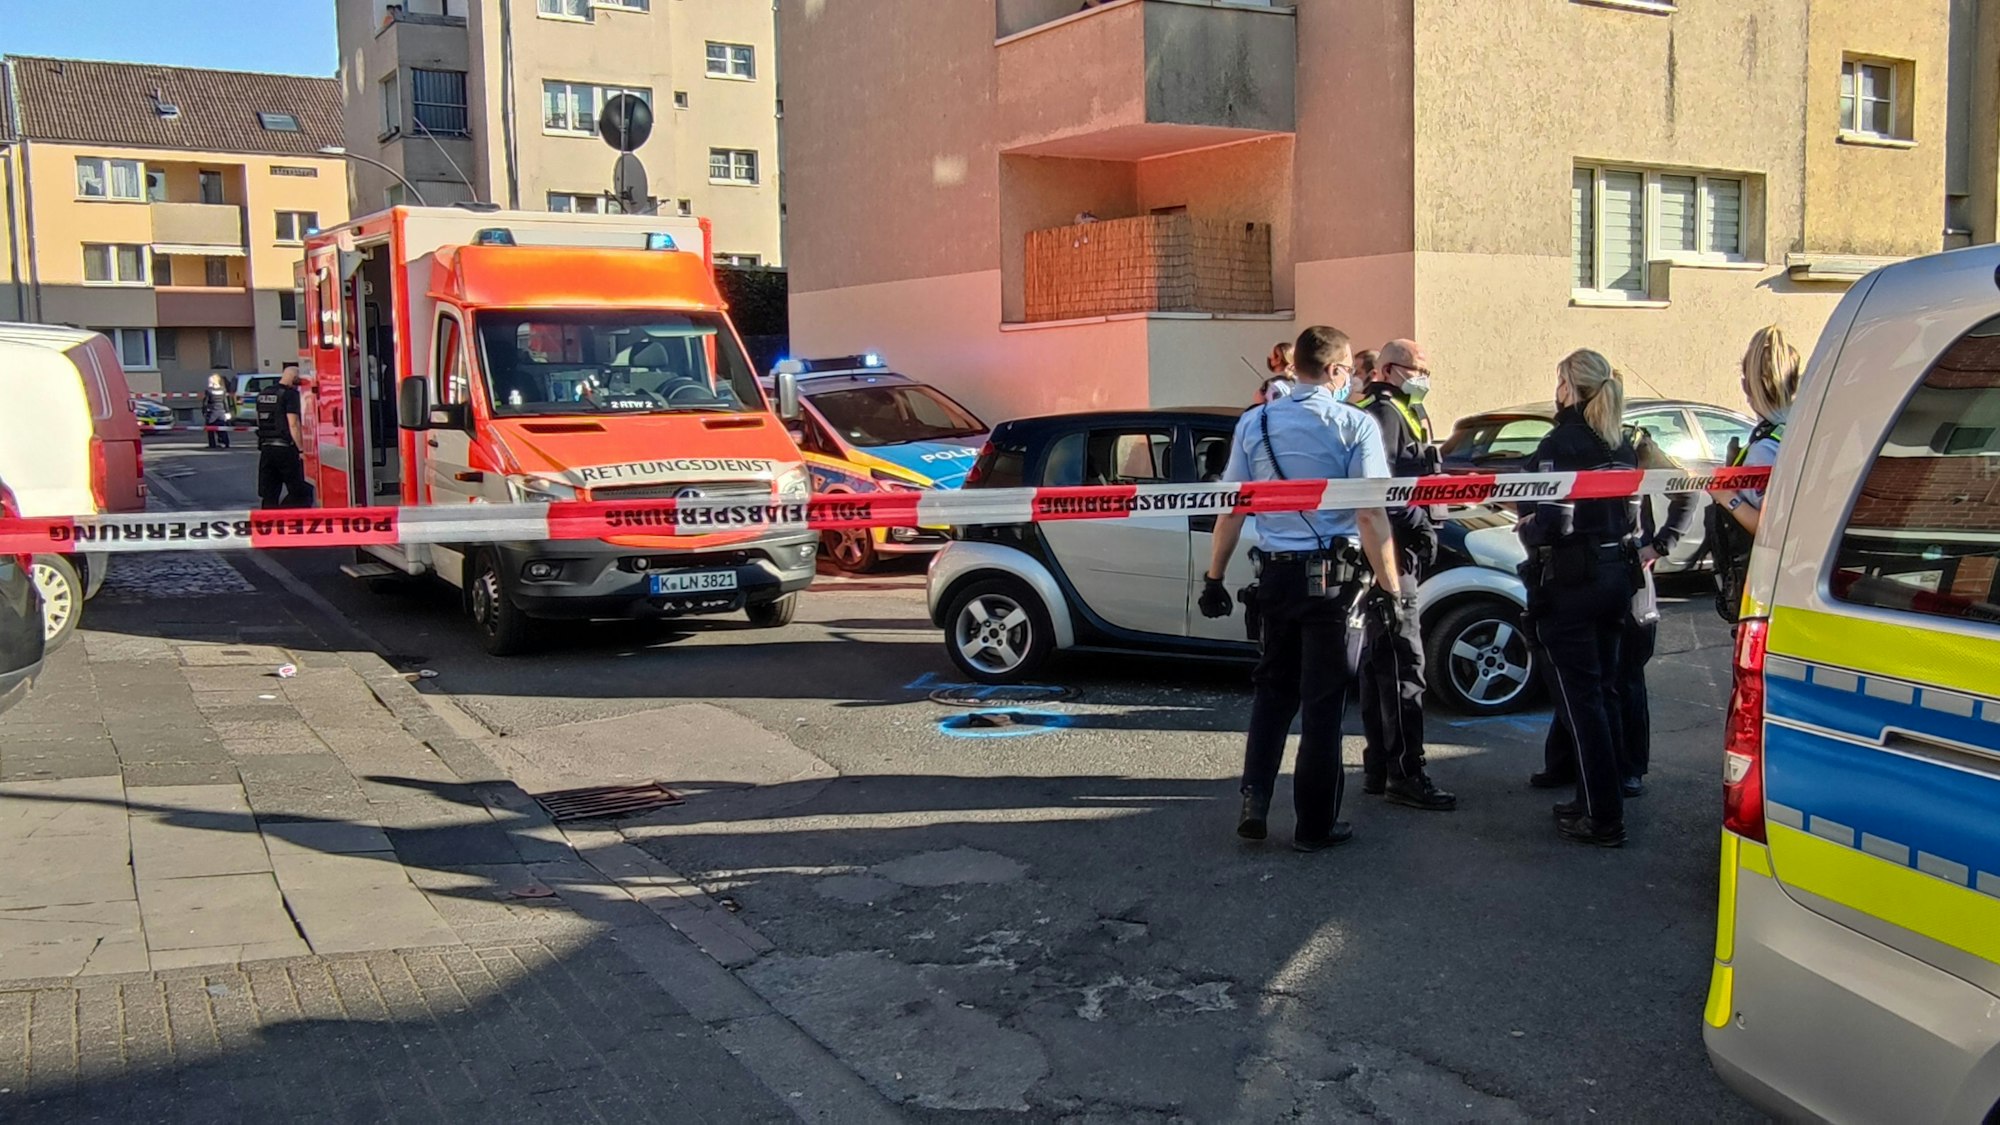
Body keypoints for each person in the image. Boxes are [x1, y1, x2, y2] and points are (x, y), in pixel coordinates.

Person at [1197, 325, 1406, 851]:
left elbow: (1234, 506)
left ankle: (1255, 800)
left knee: (1272, 693)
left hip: (1276, 577)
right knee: (1322, 704)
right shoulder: (1354, 425)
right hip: (1332, 584)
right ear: (1336, 371)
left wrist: (1214, 577)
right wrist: (1391, 588)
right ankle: (1315, 827)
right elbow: (1369, 513)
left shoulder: (1255, 421)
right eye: (1347, 374)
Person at [1531, 417, 1697, 798]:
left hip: (1628, 574)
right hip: (1591, 574)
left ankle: (1630, 768)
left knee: (1625, 677)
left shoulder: (1633, 443)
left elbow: (1685, 490)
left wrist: (1658, 546)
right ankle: (1566, 762)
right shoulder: (1570, 443)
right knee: (1581, 676)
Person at [1518, 349, 1638, 847]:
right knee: (1604, 692)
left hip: (1572, 582)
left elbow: (1550, 519)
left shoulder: (1562, 443)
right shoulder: (1623, 443)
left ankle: (1603, 817)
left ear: (1569, 386)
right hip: (1616, 576)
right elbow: (1634, 516)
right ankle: (1595, 799)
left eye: (1558, 381)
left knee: (1581, 700)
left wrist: (1527, 525)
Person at [1351, 338, 1454, 810]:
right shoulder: (1385, 413)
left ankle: (1379, 766)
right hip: (1392, 551)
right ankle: (1406, 773)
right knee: (1402, 666)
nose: (1424, 378)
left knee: (1379, 664)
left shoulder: (1398, 409)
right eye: (1418, 369)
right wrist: (1419, 524)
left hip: (1393, 548)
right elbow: (1384, 488)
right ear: (1390, 369)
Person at [1707, 326, 1799, 622]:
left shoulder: (1765, 447)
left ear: (1749, 385)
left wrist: (1726, 497)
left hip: (1764, 584)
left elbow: (1769, 527)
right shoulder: (1796, 428)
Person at [255, 364, 312, 509]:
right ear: (294, 379)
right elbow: (293, 424)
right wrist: (301, 449)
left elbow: (259, 420)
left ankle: (269, 524)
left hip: (266, 448)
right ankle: (287, 518)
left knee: (269, 493)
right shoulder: (289, 395)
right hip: (285, 449)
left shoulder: (264, 393)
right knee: (301, 491)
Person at [201, 370, 235, 450]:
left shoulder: (209, 390)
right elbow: (225, 402)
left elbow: (206, 402)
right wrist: (227, 412)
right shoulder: (223, 390)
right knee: (222, 428)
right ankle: (226, 443)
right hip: (221, 412)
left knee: (210, 429)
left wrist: (204, 411)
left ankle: (212, 444)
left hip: (212, 412)